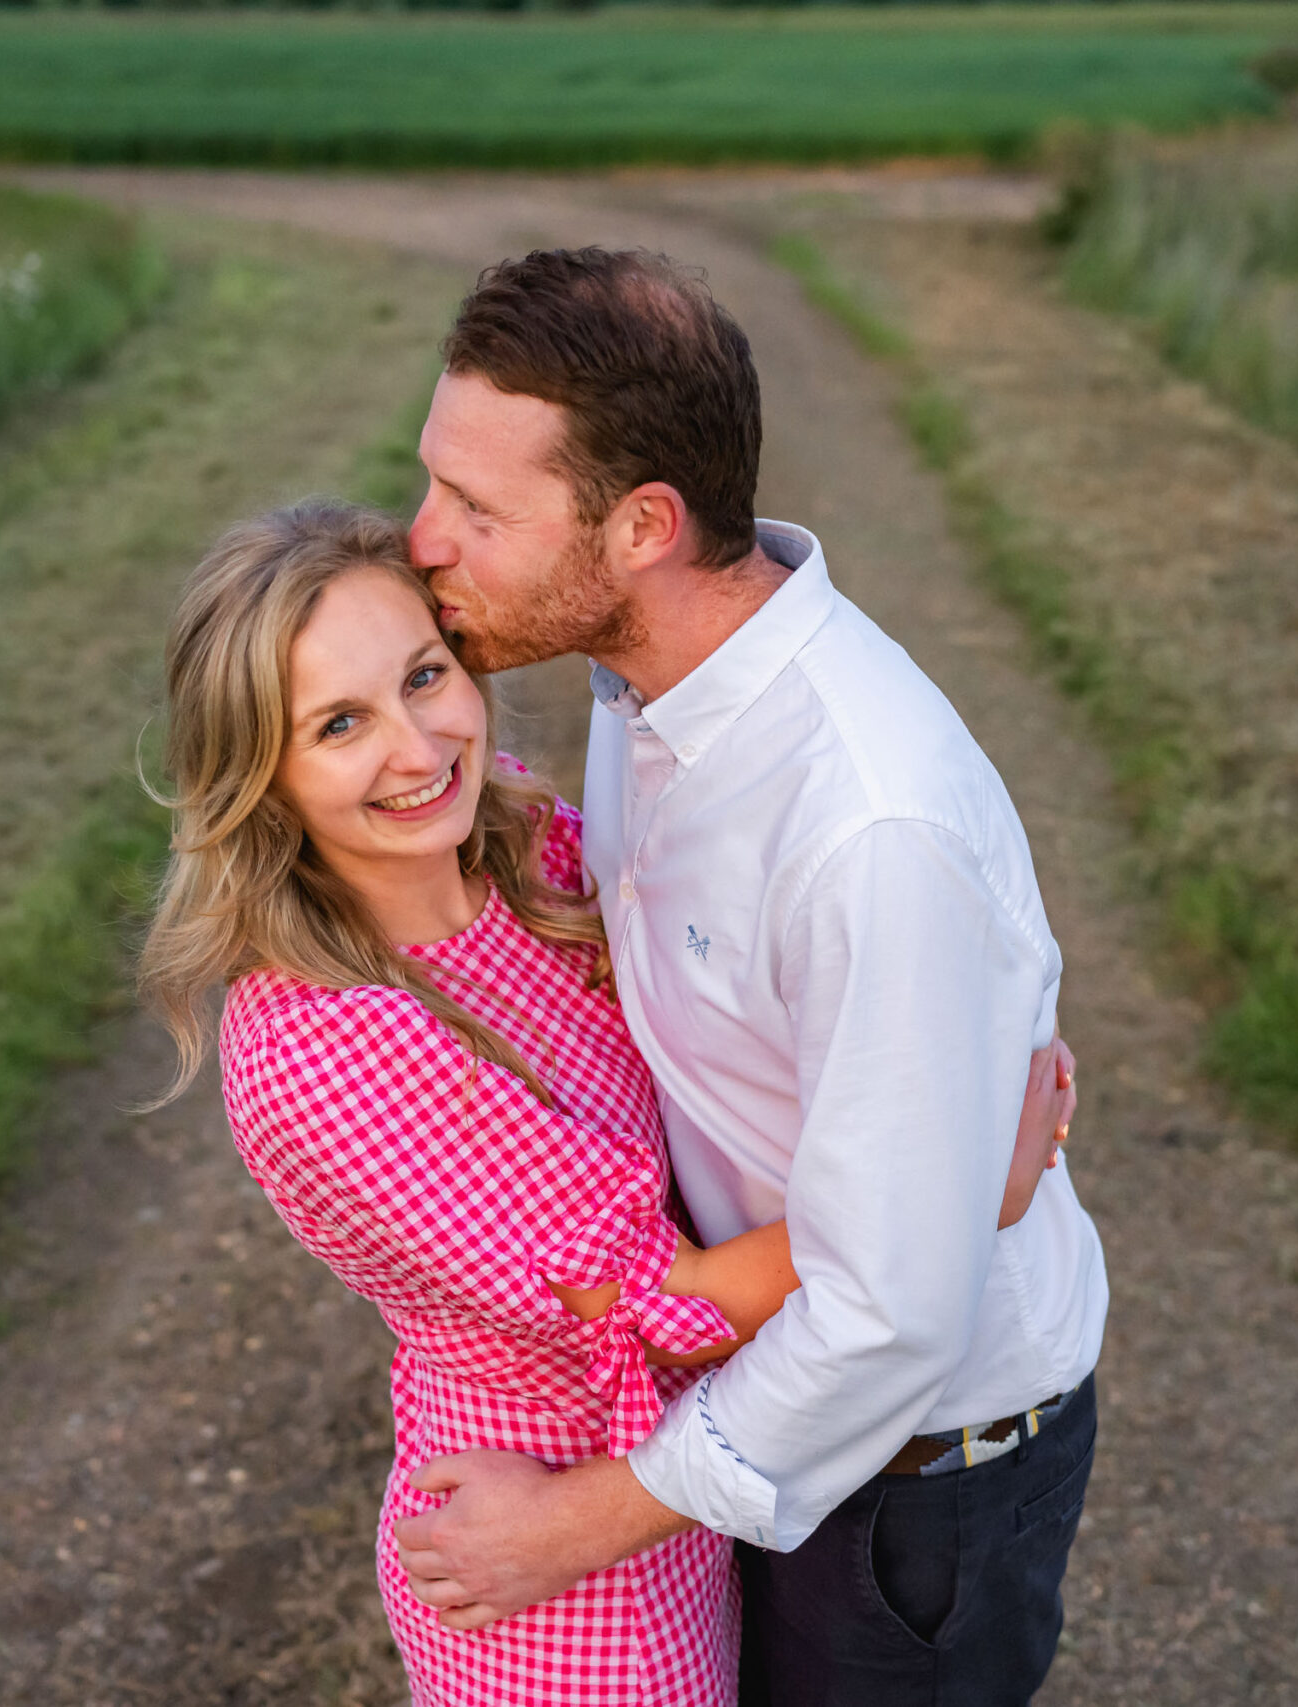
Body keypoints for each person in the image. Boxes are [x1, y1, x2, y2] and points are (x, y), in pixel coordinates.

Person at [137, 499, 1076, 1706]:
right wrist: (947, 1193)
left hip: (679, 1490)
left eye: (425, 676)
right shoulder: (329, 1046)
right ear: (260, 777)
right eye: (338, 725)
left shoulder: (521, 864)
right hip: (555, 1552)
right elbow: (666, 1303)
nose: (418, 749)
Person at [388, 248, 1110, 1706]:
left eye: (476, 509)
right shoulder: (641, 679)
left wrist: (569, 1525)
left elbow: (891, 1307)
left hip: (908, 1480)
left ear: (643, 523)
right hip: (754, 1405)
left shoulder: (863, 821)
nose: (421, 541)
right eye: (431, 486)